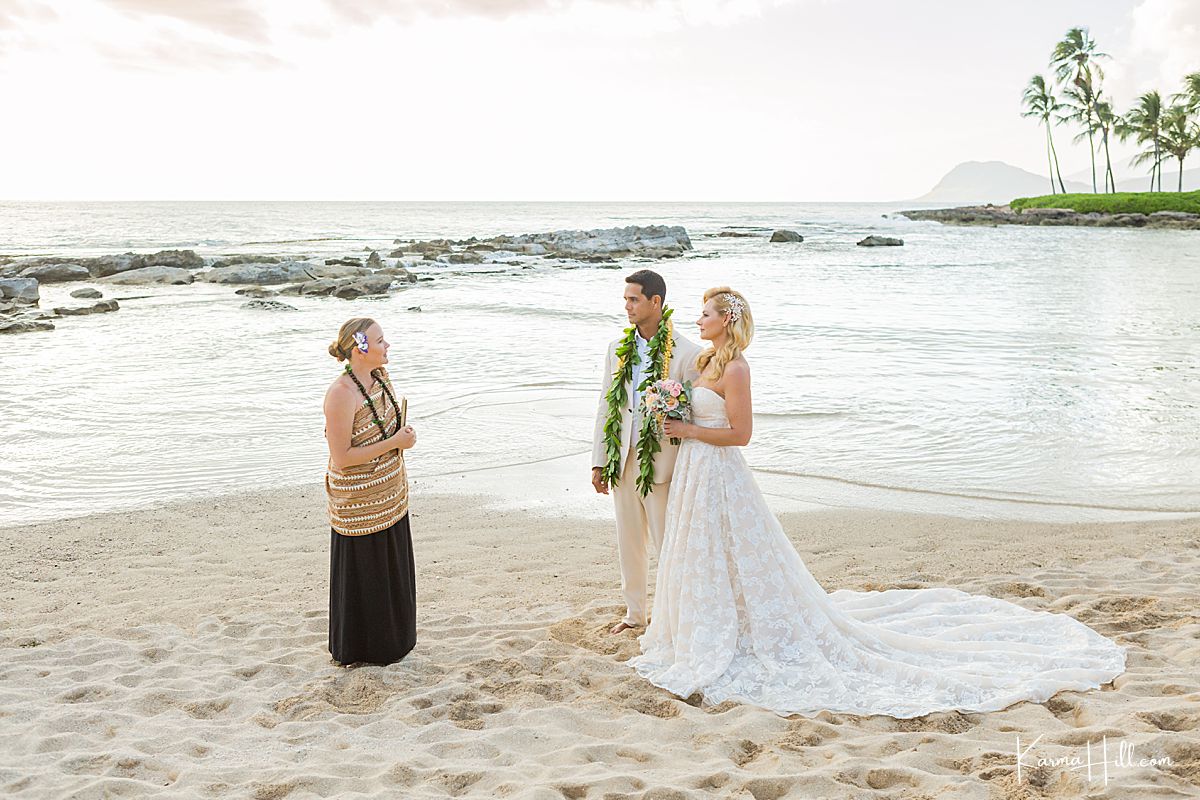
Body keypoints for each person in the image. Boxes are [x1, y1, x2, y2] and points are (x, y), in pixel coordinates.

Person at [628, 288, 1126, 718]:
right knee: (698, 550)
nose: (700, 319)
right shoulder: (702, 362)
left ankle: (742, 629)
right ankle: (702, 624)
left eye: (708, 313)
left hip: (719, 471)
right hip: (694, 469)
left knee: (732, 547)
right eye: (701, 312)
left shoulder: (736, 369)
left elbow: (741, 434)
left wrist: (689, 428)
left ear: (728, 320)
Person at [591, 270, 702, 635]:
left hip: (663, 465)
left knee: (668, 543)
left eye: (634, 299)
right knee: (629, 543)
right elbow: (607, 407)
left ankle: (674, 614)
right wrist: (599, 461)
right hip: (620, 460)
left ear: (656, 302)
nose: (627, 306)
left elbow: (696, 414)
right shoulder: (615, 349)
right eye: (625, 299)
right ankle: (634, 614)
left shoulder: (688, 354)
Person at [323, 317, 418, 666]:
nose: (387, 345)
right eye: (380, 340)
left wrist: (400, 436)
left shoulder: (380, 379)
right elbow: (342, 457)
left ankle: (396, 641)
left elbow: (383, 430)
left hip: (390, 494)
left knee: (392, 568)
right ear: (360, 348)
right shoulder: (340, 394)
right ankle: (364, 649)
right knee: (368, 573)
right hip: (358, 503)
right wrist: (394, 442)